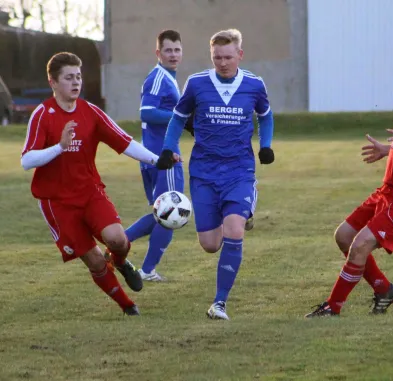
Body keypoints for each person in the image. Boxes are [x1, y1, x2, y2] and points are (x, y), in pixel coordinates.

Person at [21, 52, 162, 316]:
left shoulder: (90, 112)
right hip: (58, 203)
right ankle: (128, 306)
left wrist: (158, 160)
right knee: (96, 260)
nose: (76, 83)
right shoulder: (42, 115)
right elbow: (27, 161)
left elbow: (124, 142)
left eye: (78, 77)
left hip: (90, 192)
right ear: (53, 82)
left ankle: (121, 263)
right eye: (68, 78)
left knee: (117, 240)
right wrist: (59, 147)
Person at [305, 66, 393, 318]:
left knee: (360, 245)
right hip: (387, 192)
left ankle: (333, 306)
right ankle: (384, 288)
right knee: (344, 235)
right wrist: (389, 150)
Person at [157, 29, 275, 320]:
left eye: (228, 57)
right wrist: (168, 147)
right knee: (210, 244)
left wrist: (266, 146)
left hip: (239, 169)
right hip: (204, 171)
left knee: (234, 230)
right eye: (217, 57)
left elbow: (266, 115)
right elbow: (178, 118)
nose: (223, 63)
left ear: (240, 55)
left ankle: (219, 303)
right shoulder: (197, 83)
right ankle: (240, 211)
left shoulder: (254, 84)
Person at [122, 30, 185, 282]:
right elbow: (147, 113)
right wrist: (181, 117)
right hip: (163, 158)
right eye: (168, 50)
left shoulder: (168, 77)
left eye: (177, 49)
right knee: (172, 213)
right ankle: (147, 271)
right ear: (158, 53)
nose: (173, 54)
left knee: (161, 214)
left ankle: (118, 244)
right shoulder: (158, 77)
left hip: (154, 157)